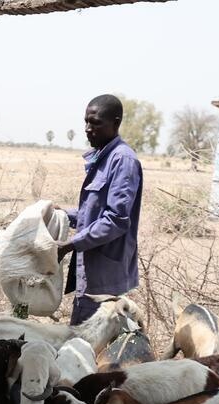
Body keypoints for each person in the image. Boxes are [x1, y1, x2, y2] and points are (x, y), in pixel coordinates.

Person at [58, 94, 143, 325]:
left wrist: (71, 245)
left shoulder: (122, 160)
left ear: (115, 124)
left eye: (95, 123)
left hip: (103, 278)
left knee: (83, 344)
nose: (87, 129)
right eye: (86, 122)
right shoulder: (103, 157)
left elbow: (116, 219)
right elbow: (93, 214)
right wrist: (61, 215)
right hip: (92, 271)